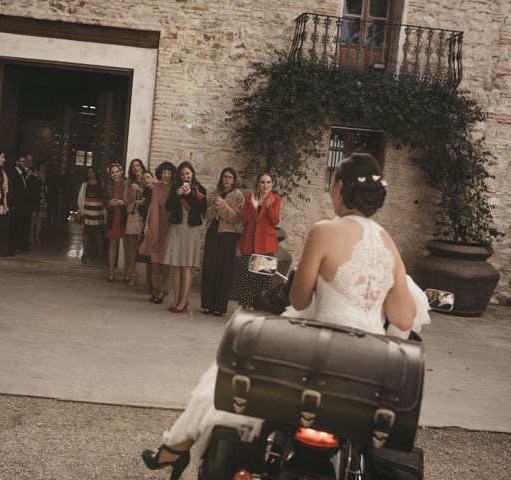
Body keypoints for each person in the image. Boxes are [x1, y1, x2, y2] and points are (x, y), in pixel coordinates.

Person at [141, 153, 430, 479]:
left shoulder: (325, 231)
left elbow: (298, 297)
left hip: (319, 356)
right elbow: (404, 319)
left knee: (223, 375)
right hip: (368, 368)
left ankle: (177, 447)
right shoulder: (388, 243)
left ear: (338, 188)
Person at [163, 161, 207, 313]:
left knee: (186, 266)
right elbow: (168, 207)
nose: (185, 176)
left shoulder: (199, 189)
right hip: (177, 226)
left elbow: (202, 209)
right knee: (176, 264)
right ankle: (176, 299)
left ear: (192, 173)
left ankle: (184, 300)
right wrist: (177, 195)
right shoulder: (175, 188)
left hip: (191, 228)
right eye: (182, 174)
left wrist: (189, 195)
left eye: (187, 173)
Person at [200, 167, 244, 316]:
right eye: (224, 176)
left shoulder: (238, 196)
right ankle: (207, 305)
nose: (226, 180)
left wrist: (222, 206)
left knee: (224, 270)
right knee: (210, 267)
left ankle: (219, 307)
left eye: (230, 177)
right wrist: (215, 207)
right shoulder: (214, 193)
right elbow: (206, 214)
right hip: (212, 232)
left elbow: (236, 218)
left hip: (228, 235)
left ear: (234, 180)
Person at [237, 172, 282, 307]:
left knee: (264, 279)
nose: (265, 185)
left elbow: (274, 221)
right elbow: (243, 220)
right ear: (258, 184)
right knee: (247, 277)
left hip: (266, 245)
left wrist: (268, 208)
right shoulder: (249, 198)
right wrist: (254, 208)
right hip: (249, 244)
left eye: (268, 182)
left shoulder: (276, 199)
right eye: (262, 182)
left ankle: (261, 307)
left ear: (272, 184)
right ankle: (246, 306)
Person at [139, 161, 176, 303]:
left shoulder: (175, 187)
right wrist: (148, 224)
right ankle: (157, 286)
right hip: (157, 223)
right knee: (155, 258)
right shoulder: (157, 187)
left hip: (170, 225)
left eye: (169, 173)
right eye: (164, 172)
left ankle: (163, 287)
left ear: (172, 174)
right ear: (160, 174)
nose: (166, 175)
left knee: (166, 258)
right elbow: (151, 207)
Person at [124, 158, 147, 285]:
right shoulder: (129, 182)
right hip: (133, 215)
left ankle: (147, 278)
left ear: (142, 167)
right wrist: (133, 193)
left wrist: (140, 190)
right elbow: (126, 201)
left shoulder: (147, 179)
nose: (136, 168)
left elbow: (151, 196)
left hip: (145, 216)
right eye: (133, 166)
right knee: (132, 247)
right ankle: (133, 276)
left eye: (138, 165)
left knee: (145, 246)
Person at [103, 162, 127, 282]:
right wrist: (109, 203)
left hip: (124, 217)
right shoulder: (107, 185)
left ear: (121, 172)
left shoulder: (126, 184)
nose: (115, 174)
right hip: (113, 217)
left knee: (127, 245)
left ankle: (127, 273)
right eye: (113, 172)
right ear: (110, 174)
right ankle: (111, 272)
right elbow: (104, 200)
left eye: (117, 171)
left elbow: (131, 198)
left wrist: (124, 202)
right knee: (112, 244)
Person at [77, 166, 105, 262]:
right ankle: (85, 253)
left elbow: (104, 198)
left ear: (95, 172)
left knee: (98, 233)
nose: (90, 173)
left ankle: (101, 254)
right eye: (89, 172)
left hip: (98, 211)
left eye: (92, 171)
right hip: (87, 211)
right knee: (86, 231)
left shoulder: (101, 183)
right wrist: (80, 210)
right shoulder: (85, 184)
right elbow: (81, 198)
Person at [136, 170, 155, 294]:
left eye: (148, 177)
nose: (146, 180)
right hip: (147, 225)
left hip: (155, 225)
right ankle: (149, 284)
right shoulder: (146, 192)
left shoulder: (157, 191)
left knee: (155, 257)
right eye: (144, 179)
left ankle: (155, 285)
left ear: (153, 178)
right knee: (148, 258)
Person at [9, 155, 29, 254]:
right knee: (14, 226)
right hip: (15, 205)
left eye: (24, 161)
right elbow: (13, 190)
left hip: (21, 204)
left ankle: (15, 246)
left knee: (18, 226)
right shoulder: (14, 173)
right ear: (17, 162)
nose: (23, 163)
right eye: (21, 161)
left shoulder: (22, 174)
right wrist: (12, 204)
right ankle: (11, 248)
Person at [28, 162, 48, 246]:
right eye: (40, 167)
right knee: (34, 218)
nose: (42, 168)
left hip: (43, 200)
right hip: (36, 200)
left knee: (40, 219)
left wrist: (46, 199)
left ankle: (37, 237)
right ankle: (31, 237)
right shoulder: (35, 176)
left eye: (43, 167)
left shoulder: (46, 177)